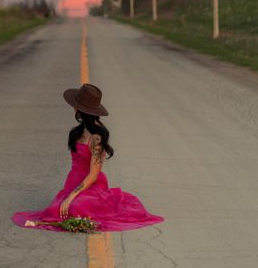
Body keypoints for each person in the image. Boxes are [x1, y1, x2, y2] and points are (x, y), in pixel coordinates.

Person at [11, 83, 164, 232]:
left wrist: (71, 196)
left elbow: (93, 174)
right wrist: (70, 193)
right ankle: (66, 210)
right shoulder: (78, 131)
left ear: (79, 109)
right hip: (73, 181)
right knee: (57, 208)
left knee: (74, 207)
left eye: (75, 105)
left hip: (92, 185)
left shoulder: (97, 137)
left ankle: (81, 208)